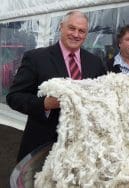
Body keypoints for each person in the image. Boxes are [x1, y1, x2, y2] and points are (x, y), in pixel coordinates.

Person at [6, 10, 107, 162]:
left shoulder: (95, 62)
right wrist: (44, 104)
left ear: (86, 34)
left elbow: (104, 97)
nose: (76, 34)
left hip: (83, 147)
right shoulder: (36, 58)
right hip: (43, 146)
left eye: (81, 31)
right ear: (61, 27)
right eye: (71, 28)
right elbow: (14, 97)